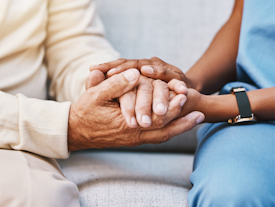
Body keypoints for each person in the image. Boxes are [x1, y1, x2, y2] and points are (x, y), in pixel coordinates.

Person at [0, 0, 204, 206]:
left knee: (40, 198)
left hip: (17, 148)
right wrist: (65, 125)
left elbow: (73, 48)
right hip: (21, 131)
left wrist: (114, 85)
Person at [91, 0, 275, 206]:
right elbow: (245, 19)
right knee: (230, 194)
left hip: (245, 106)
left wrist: (219, 106)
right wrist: (189, 84)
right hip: (258, 128)